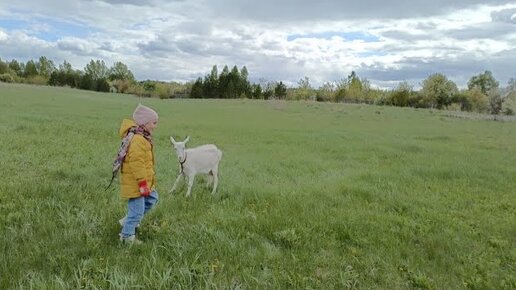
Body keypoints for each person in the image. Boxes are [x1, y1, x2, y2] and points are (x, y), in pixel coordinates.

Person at [115, 104, 159, 244]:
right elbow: (137, 163)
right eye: (154, 123)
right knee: (137, 210)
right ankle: (127, 236)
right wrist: (142, 183)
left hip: (142, 181)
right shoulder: (138, 140)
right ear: (145, 123)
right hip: (137, 183)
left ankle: (129, 220)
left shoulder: (142, 137)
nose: (155, 126)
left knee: (153, 198)